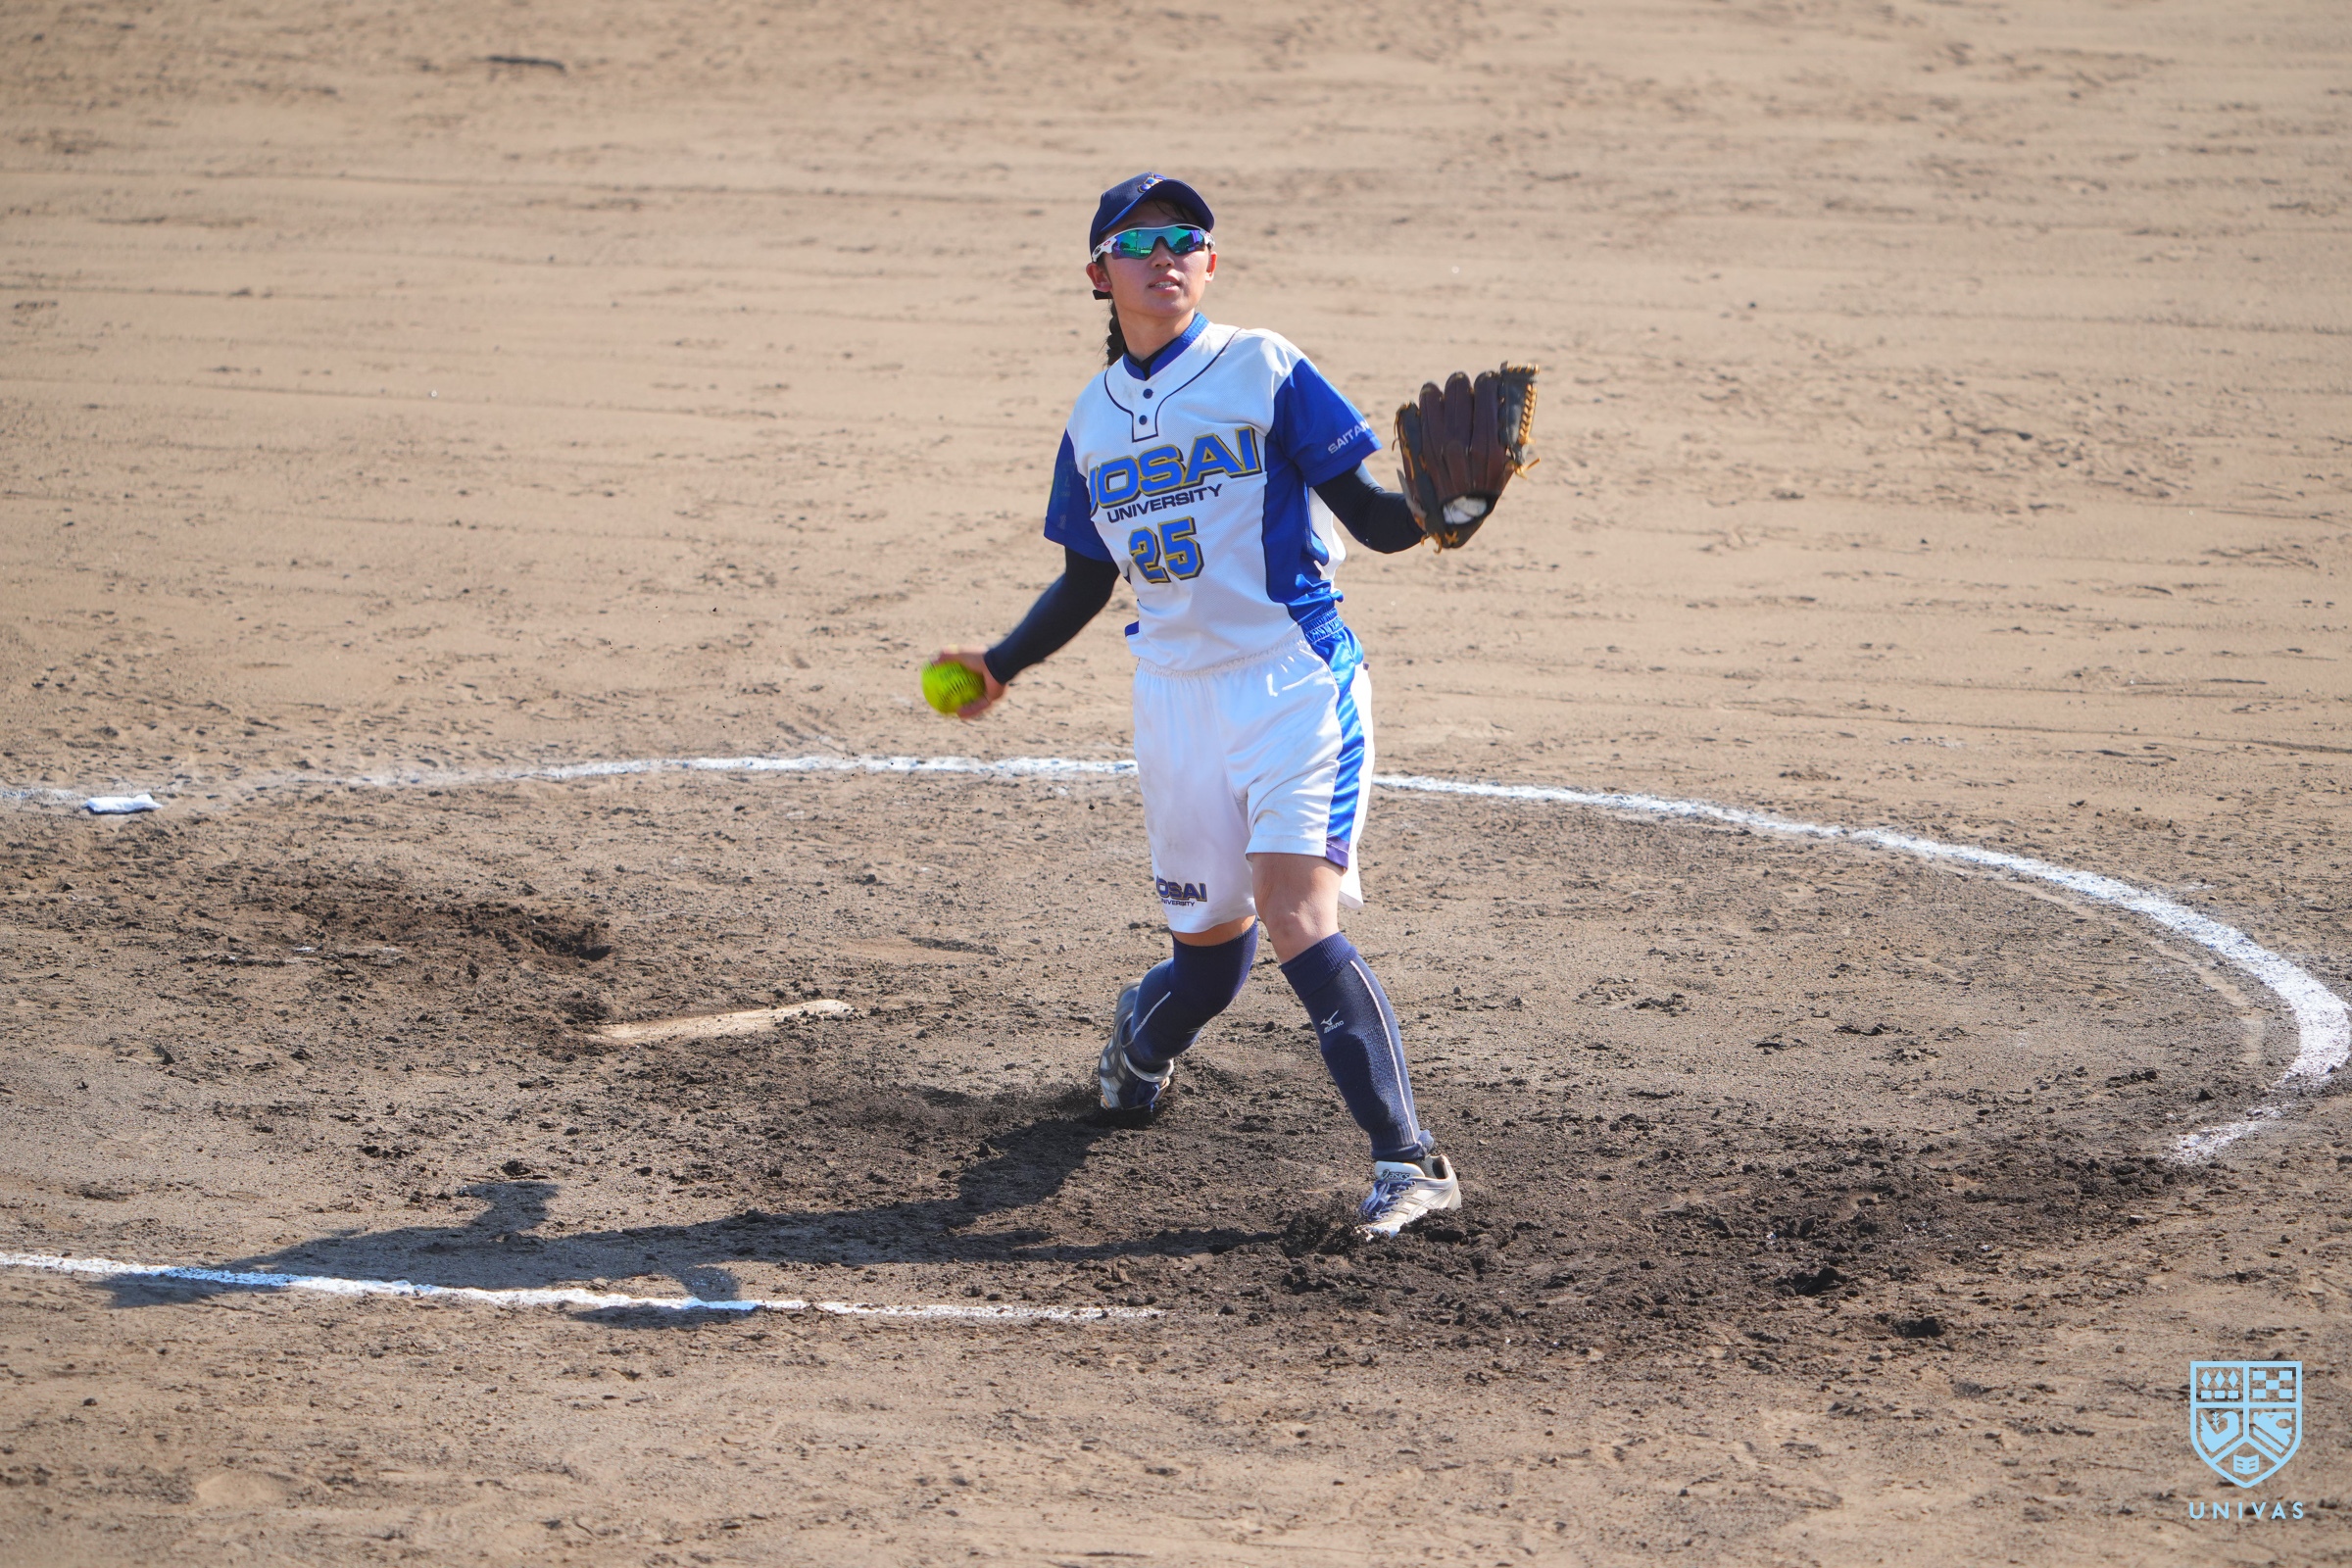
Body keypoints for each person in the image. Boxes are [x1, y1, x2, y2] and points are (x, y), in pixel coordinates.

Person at [933, 172, 1459, 1239]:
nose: (1164, 256)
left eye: (1185, 239)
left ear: (1210, 265)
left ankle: (1410, 1163)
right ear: (1099, 276)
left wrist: (1442, 508)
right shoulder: (1092, 418)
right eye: (1137, 244)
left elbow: (1371, 517)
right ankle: (1139, 1046)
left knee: (1295, 913)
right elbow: (1088, 578)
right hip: (1173, 702)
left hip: (1293, 678)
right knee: (1211, 965)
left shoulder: (1263, 366)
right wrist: (1002, 663)